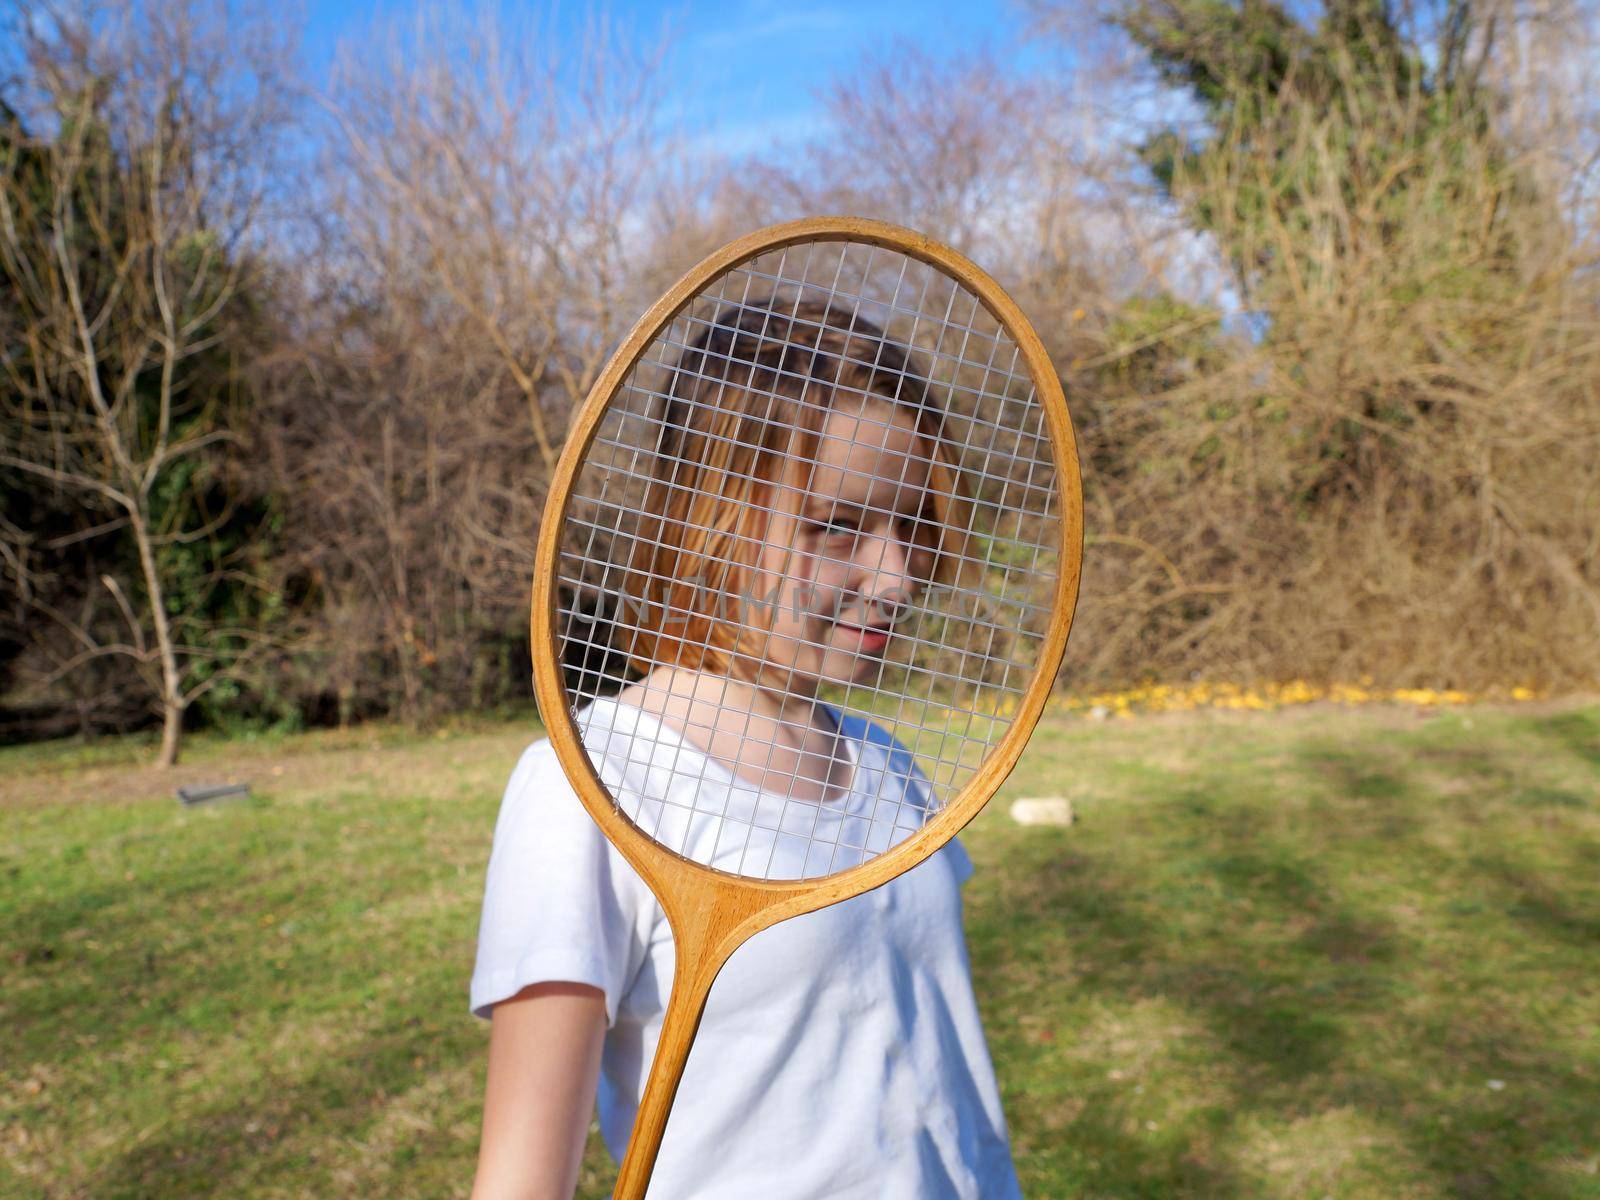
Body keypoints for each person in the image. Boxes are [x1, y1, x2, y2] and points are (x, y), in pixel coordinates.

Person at [468, 297, 1024, 1199]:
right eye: (839, 525)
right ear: (710, 518)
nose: (897, 575)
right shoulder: (588, 787)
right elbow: (521, 1183)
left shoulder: (891, 769)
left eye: (911, 523)